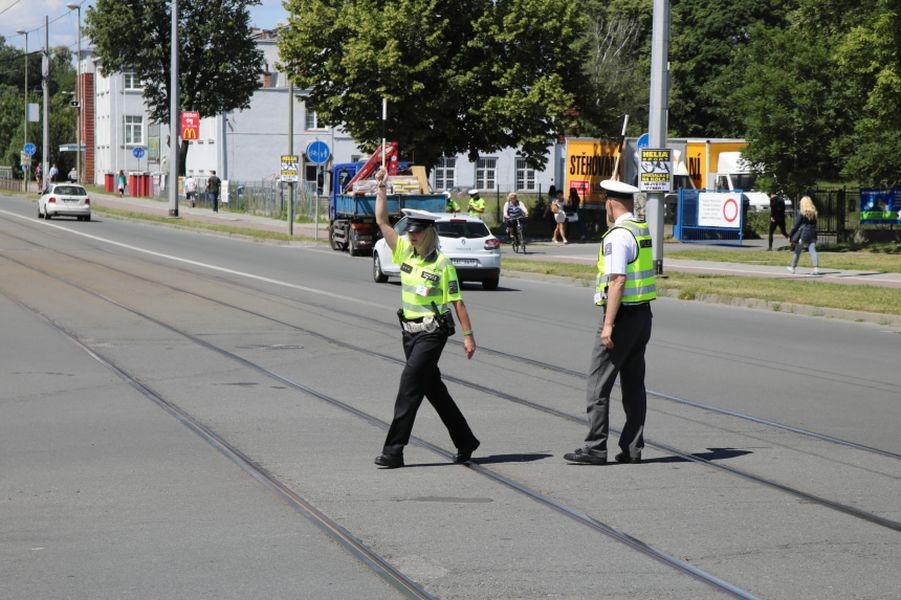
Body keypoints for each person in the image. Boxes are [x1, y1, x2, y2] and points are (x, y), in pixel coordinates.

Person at [372, 166, 480, 469]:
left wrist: (469, 336)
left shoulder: (442, 265)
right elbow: (381, 221)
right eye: (409, 230)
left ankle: (393, 451)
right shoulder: (405, 251)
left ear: (428, 233)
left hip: (433, 333)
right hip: (409, 333)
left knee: (409, 385)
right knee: (434, 390)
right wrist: (382, 187)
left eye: (417, 231)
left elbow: (457, 302)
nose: (411, 235)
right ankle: (466, 440)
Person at [565, 180, 656, 466]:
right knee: (633, 386)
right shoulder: (640, 229)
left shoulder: (617, 235)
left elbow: (617, 281)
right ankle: (632, 448)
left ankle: (595, 447)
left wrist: (608, 324)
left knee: (598, 384)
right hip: (643, 316)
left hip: (622, 317)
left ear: (610, 203)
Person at [787, 195, 819, 275]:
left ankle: (793, 268)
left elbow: (796, 225)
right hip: (813, 233)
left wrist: (790, 235)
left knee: (797, 251)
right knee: (813, 251)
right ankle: (815, 269)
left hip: (804, 234)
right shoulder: (814, 212)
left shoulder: (802, 213)